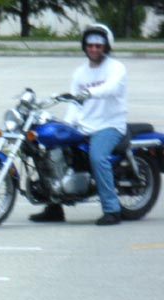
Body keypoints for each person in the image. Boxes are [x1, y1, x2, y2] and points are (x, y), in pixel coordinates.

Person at [30, 23, 127, 226]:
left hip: (109, 125)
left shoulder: (116, 68)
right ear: (84, 46)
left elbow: (111, 88)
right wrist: (67, 124)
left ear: (106, 46)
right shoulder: (80, 73)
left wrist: (90, 92)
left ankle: (112, 209)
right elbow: (74, 103)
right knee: (51, 153)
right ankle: (54, 207)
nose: (94, 49)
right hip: (84, 125)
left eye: (98, 45)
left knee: (97, 157)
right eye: (90, 45)